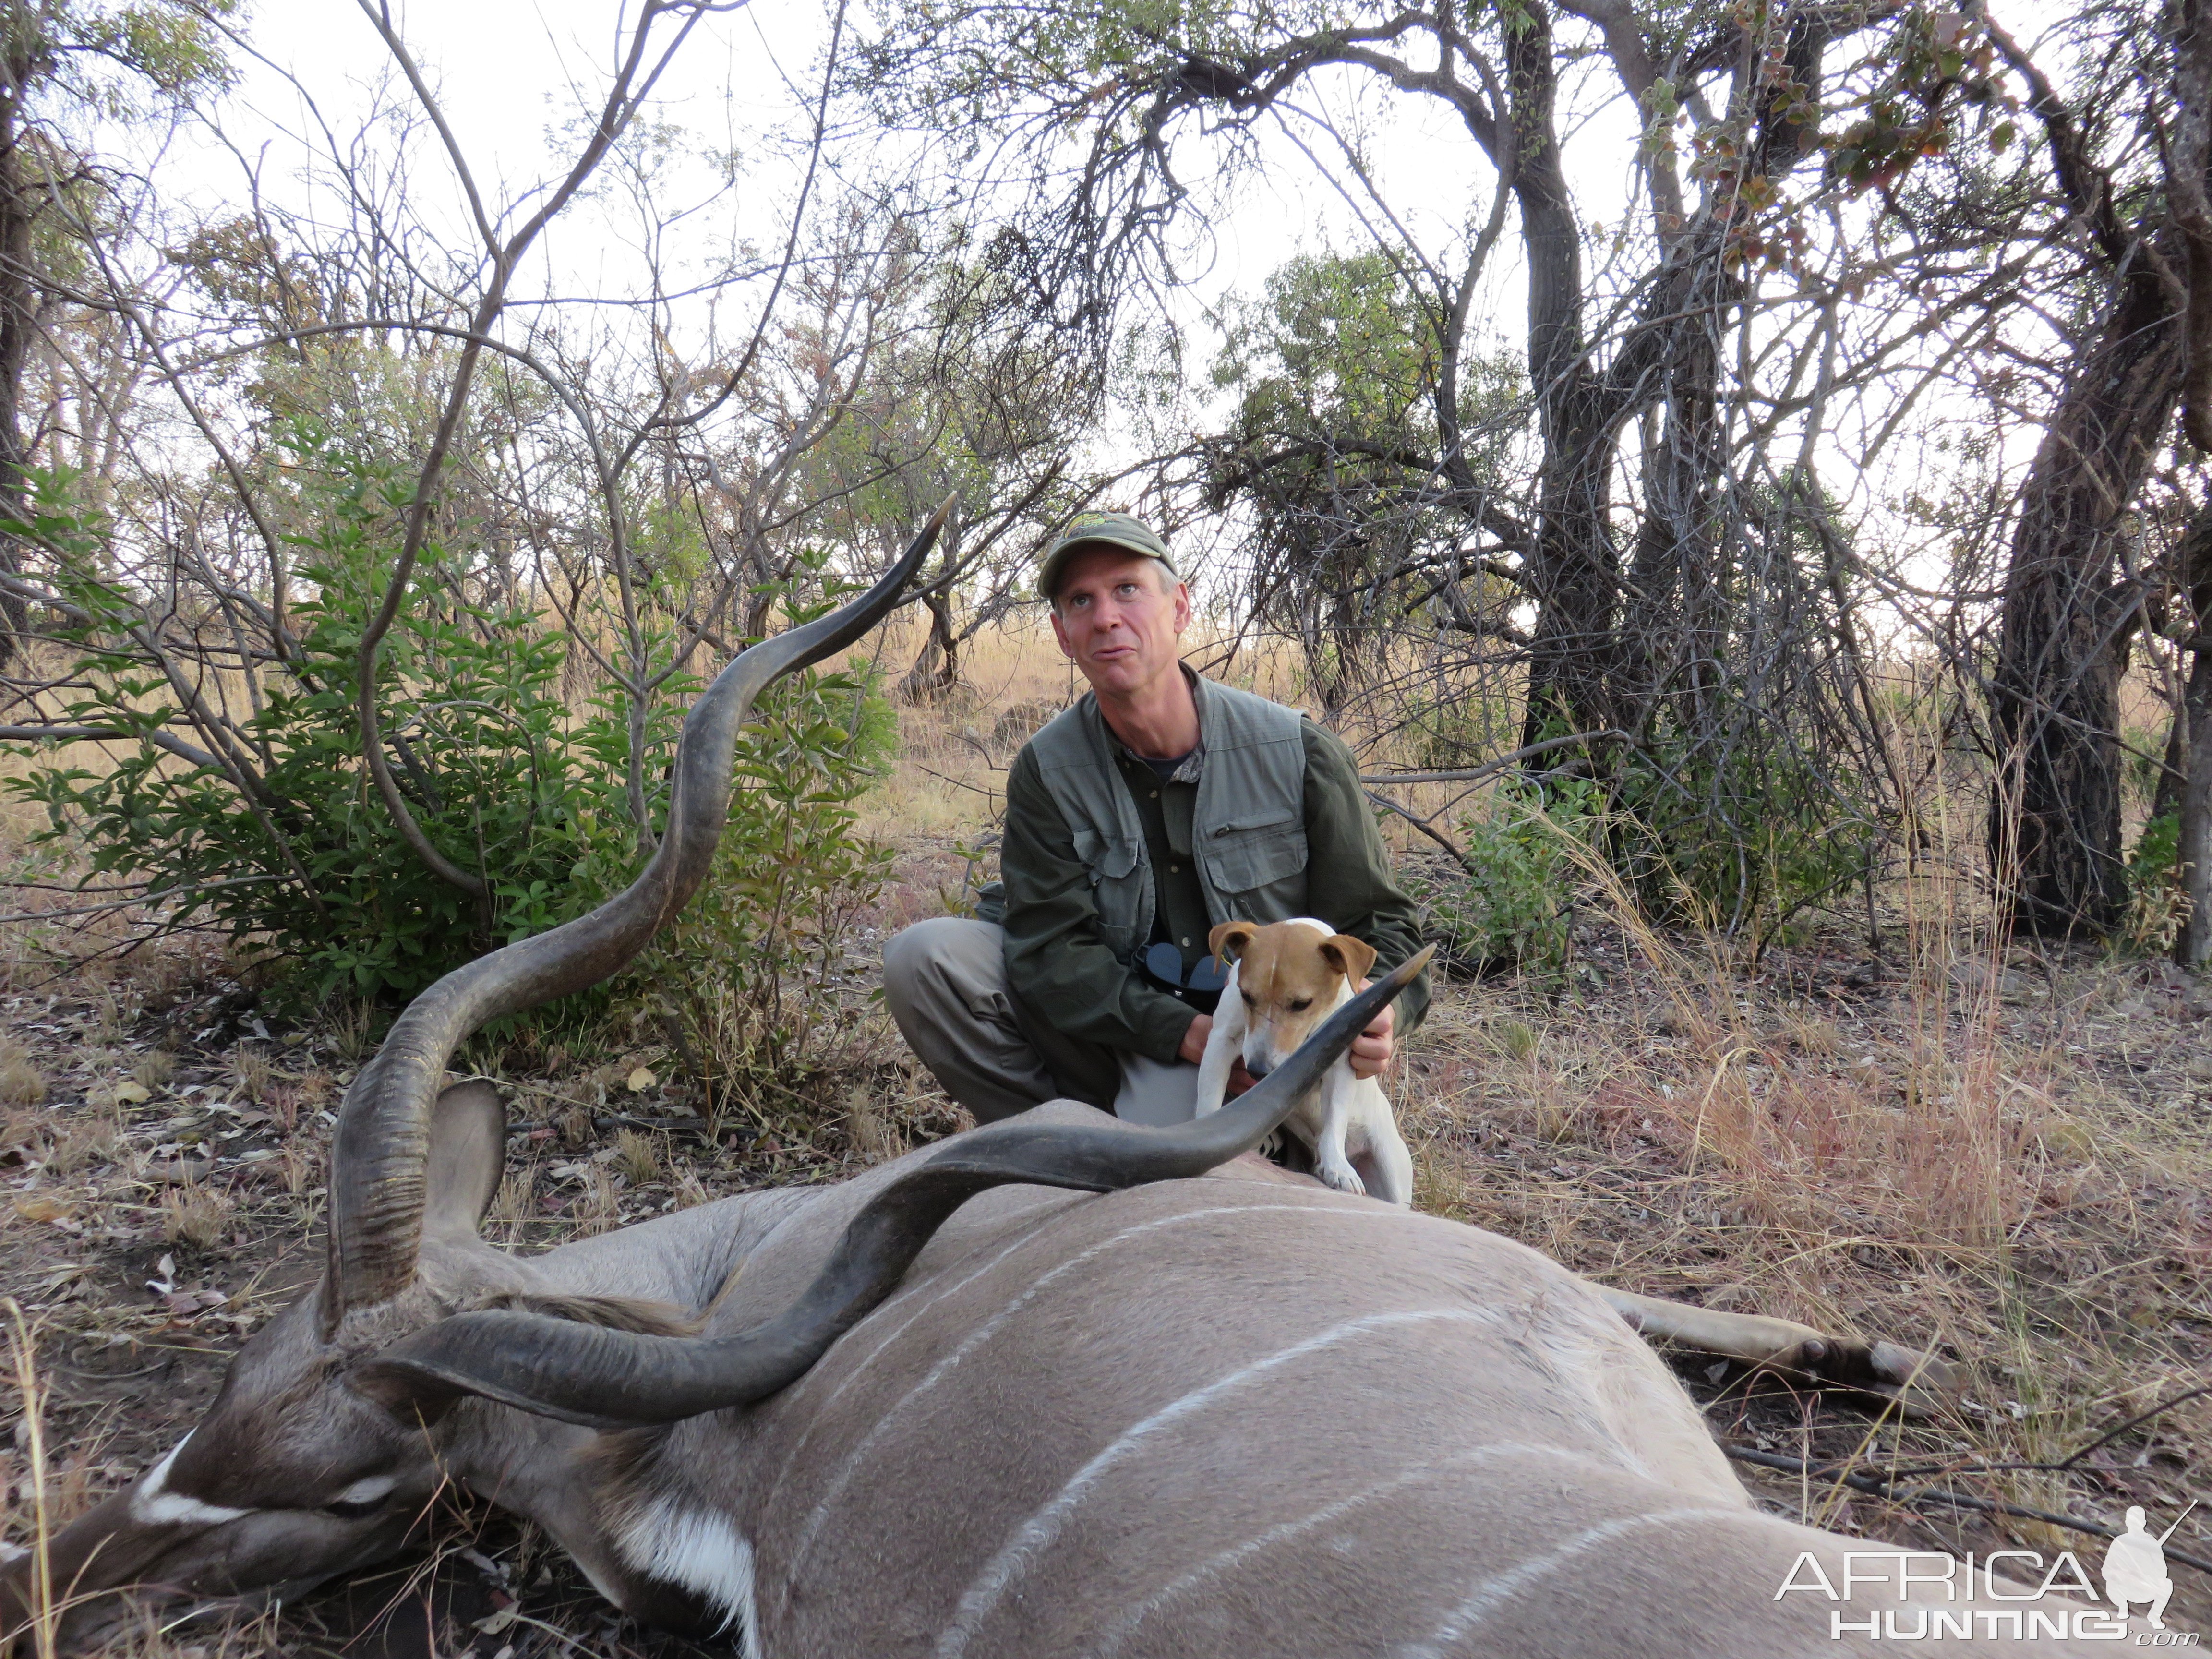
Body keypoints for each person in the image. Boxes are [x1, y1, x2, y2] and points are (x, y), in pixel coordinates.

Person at [883, 510, 1430, 1126]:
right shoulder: (1046, 769)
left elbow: (1382, 925)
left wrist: (1384, 1012)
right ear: (1064, 635)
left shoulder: (1300, 752)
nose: (1106, 617)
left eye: (1127, 590)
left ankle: (1259, 1144)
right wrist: (1189, 1034)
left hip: (1278, 1041)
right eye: (1080, 601)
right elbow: (1050, 952)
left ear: (1179, 607)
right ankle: (1053, 1146)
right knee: (923, 957)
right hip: (1142, 1036)